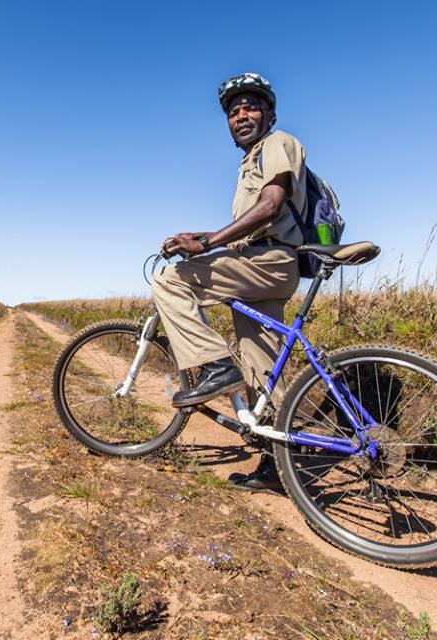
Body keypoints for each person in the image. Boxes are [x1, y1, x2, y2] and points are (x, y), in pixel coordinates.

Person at [152, 72, 306, 493]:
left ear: (270, 114)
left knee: (169, 280)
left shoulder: (277, 144)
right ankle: (279, 466)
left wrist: (207, 244)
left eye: (251, 107)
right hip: (264, 265)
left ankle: (217, 367)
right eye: (234, 111)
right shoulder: (251, 160)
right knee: (262, 369)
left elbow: (270, 208)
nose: (241, 115)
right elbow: (249, 228)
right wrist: (200, 237)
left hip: (268, 263)